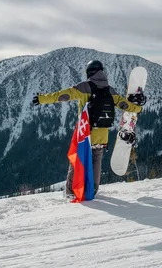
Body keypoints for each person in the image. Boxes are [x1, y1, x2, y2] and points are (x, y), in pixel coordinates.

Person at [31, 60, 146, 198]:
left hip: (86, 134)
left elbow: (62, 95)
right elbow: (125, 105)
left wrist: (42, 99)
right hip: (102, 134)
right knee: (96, 161)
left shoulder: (85, 87)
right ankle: (93, 190)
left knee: (77, 160)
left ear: (90, 72)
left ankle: (71, 191)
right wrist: (138, 108)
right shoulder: (109, 90)